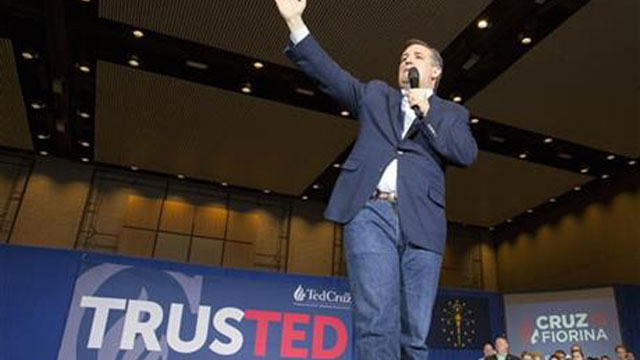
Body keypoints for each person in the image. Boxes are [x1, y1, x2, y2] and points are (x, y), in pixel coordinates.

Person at [273, 0, 478, 359]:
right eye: (403, 57)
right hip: (370, 214)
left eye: (416, 56)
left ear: (434, 73)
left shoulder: (452, 113)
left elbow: (464, 154)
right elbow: (330, 74)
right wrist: (296, 22)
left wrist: (425, 109)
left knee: (413, 333)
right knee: (375, 320)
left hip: (423, 222)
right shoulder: (375, 96)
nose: (407, 60)